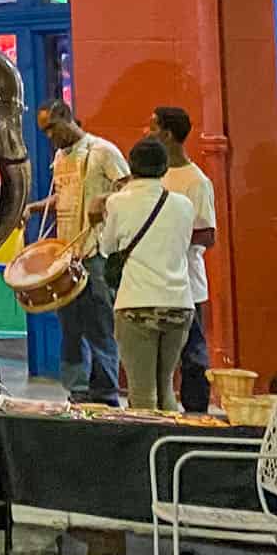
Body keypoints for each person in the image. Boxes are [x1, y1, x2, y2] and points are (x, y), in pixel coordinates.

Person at [26, 101, 127, 407]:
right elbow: (63, 197)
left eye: (51, 129)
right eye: (44, 131)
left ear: (66, 119)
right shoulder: (60, 157)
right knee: (70, 327)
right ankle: (77, 389)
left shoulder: (103, 152)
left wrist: (104, 201)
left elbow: (128, 188)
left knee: (99, 325)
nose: (49, 137)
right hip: (66, 255)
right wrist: (34, 208)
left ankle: (106, 391)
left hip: (96, 252)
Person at [101, 136, 202, 410]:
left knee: (142, 393)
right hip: (180, 304)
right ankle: (170, 448)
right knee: (166, 386)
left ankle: (146, 451)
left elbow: (106, 247)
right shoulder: (184, 205)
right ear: (164, 167)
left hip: (137, 304)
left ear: (131, 167)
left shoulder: (117, 203)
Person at [149, 105, 219, 413]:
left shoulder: (196, 181)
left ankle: (196, 416)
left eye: (152, 127)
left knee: (193, 355)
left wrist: (168, 233)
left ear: (167, 134)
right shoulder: (152, 176)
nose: (147, 132)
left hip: (188, 284)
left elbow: (208, 234)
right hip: (152, 282)